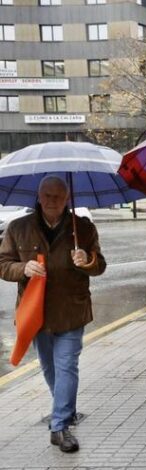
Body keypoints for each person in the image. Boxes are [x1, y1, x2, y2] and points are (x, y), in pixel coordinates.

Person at [0, 175, 106, 453]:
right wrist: (22, 269)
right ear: (39, 195)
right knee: (51, 369)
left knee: (67, 365)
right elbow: (3, 264)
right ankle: (64, 410)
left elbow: (100, 265)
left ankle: (59, 426)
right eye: (47, 196)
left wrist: (88, 260)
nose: (52, 202)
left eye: (58, 196)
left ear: (67, 198)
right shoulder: (18, 227)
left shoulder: (82, 228)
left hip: (72, 310)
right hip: (35, 313)